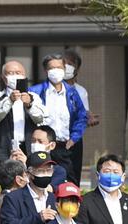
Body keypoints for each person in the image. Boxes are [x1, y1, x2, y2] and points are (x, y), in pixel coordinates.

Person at [30, 53, 88, 183]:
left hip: (67, 145)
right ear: (46, 70)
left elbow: (81, 116)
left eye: (59, 67)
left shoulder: (72, 92)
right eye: (52, 68)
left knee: (70, 182)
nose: (56, 71)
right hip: (44, 146)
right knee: (43, 179)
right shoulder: (35, 91)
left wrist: (74, 138)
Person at [0, 60, 46, 165]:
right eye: (10, 73)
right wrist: (9, 101)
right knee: (4, 174)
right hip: (4, 148)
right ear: (3, 77)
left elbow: (40, 118)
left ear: (24, 76)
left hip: (28, 146)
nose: (14, 76)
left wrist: (29, 105)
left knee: (30, 173)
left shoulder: (33, 97)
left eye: (18, 73)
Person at [61, 49, 99, 185]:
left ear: (77, 68)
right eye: (63, 63)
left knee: (73, 175)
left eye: (70, 64)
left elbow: (84, 116)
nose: (66, 67)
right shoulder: (49, 88)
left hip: (74, 140)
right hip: (54, 139)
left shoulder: (81, 91)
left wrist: (88, 119)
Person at [11, 124, 69, 190]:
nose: (35, 144)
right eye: (33, 141)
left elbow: (48, 190)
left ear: (52, 145)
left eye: (40, 142)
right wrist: (12, 165)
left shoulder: (58, 171)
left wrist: (26, 166)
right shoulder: (22, 163)